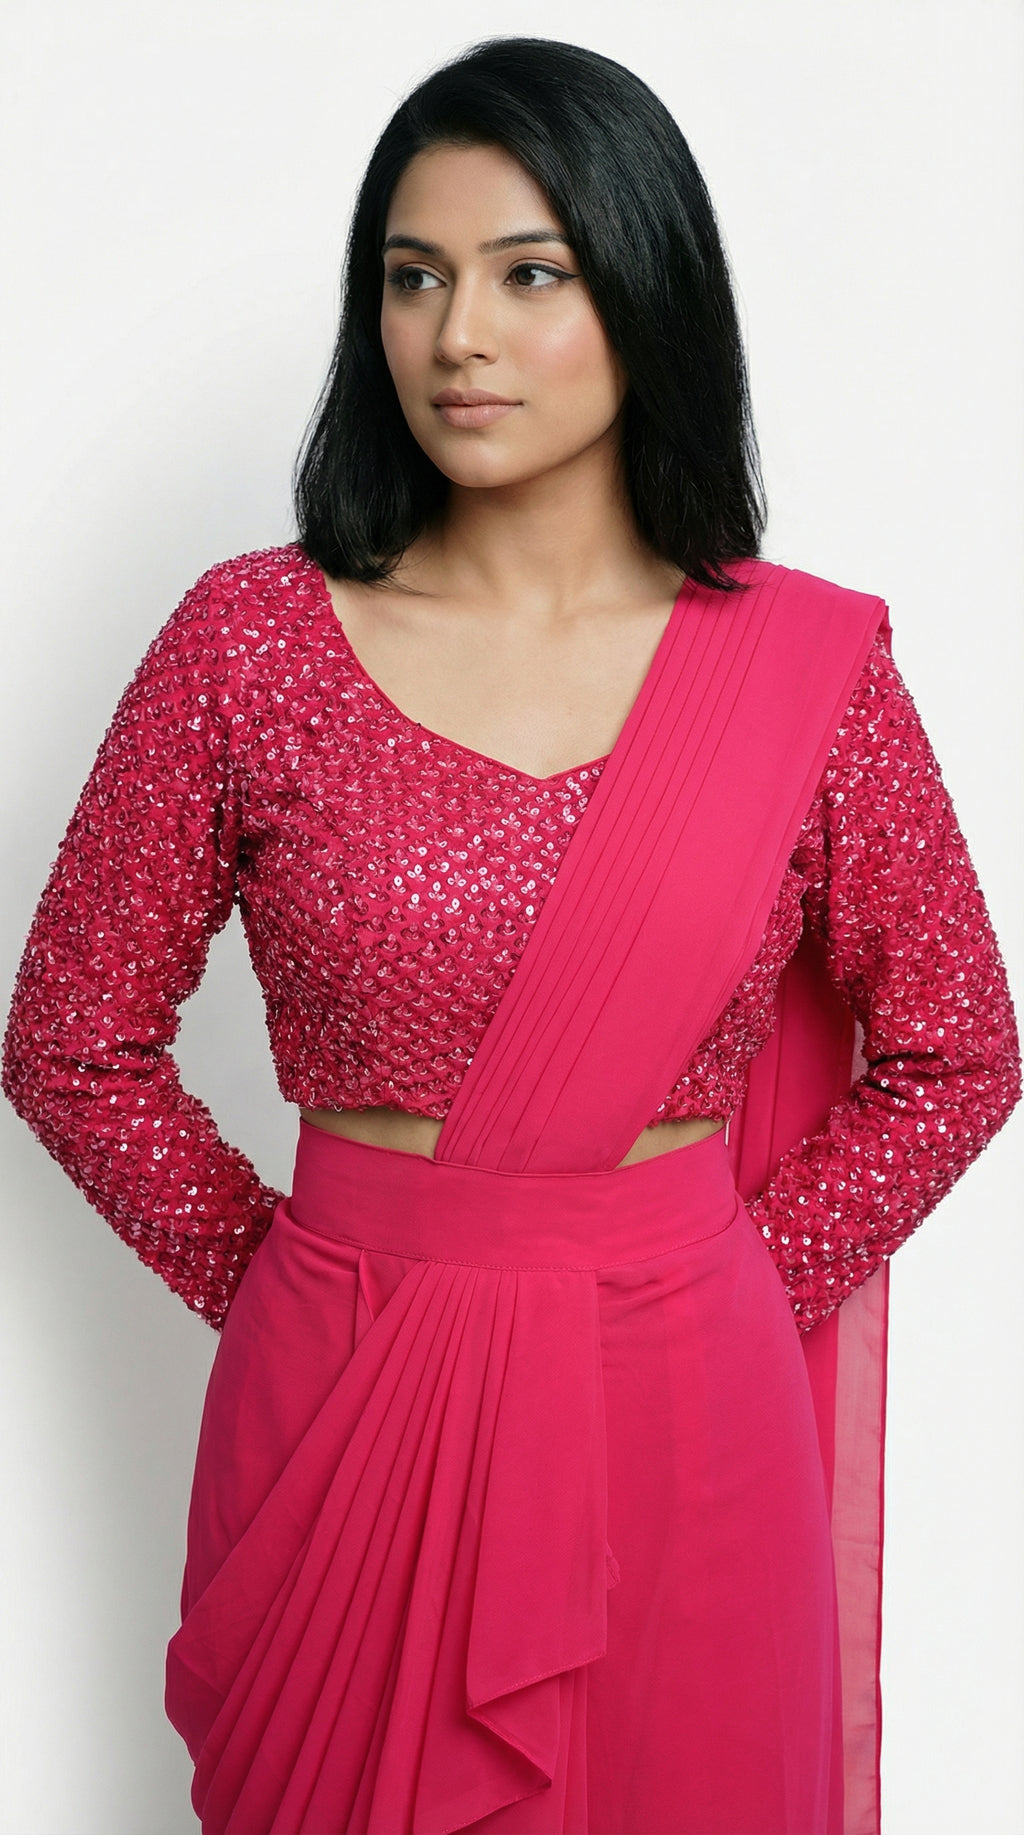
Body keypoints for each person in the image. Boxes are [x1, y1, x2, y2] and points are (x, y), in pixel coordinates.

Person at [2, 32, 1019, 1835]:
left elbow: (960, 1044)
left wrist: (720, 1290)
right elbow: (70, 1037)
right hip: (342, 1391)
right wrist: (292, 1283)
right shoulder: (248, 641)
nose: (455, 336)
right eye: (412, 277)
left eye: (528, 273)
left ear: (645, 288)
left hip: (684, 1421)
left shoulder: (807, 674)